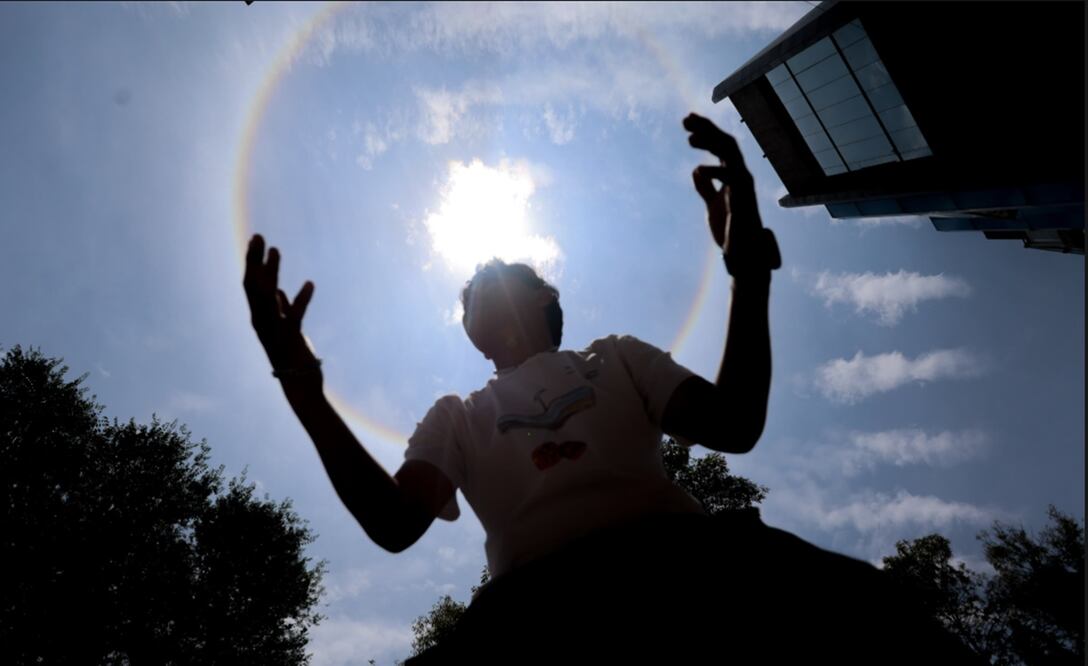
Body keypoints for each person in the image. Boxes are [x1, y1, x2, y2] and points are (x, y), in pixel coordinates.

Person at [244, 113, 981, 664]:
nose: (484, 283)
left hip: (691, 565)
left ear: (544, 300)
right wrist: (303, 389)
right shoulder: (458, 417)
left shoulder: (617, 358)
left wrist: (747, 273)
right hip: (533, 604)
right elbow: (395, 523)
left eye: (506, 274)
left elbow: (734, 424)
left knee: (879, 614)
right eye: (471, 289)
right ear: (469, 328)